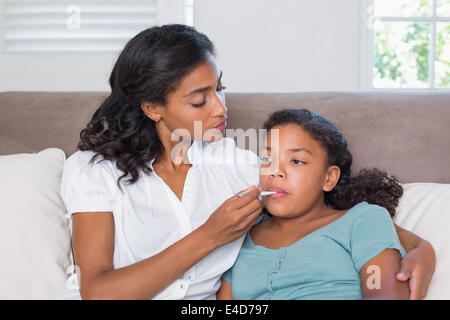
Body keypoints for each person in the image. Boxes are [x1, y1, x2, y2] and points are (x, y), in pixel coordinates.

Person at [58, 24, 435, 300]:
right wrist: (209, 236)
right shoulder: (94, 171)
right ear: (153, 107)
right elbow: (99, 291)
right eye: (199, 100)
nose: (222, 109)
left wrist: (421, 248)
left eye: (220, 88)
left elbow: (321, 202)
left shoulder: (234, 163)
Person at [216, 109, 427, 300]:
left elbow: (385, 295)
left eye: (296, 161)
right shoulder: (242, 233)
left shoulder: (363, 220)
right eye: (266, 159)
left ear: (329, 178)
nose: (275, 171)